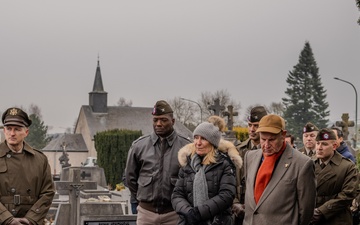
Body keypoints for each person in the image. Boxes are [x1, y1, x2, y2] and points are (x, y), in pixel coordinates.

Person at [125, 100, 191, 225]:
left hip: (174, 214)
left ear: (173, 121)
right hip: (146, 214)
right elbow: (130, 178)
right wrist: (142, 200)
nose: (158, 124)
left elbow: (191, 181)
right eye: (155, 120)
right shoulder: (139, 146)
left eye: (163, 120)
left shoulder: (186, 147)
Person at [243, 114, 316, 225]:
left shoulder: (302, 164)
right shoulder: (250, 157)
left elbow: (306, 210)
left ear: (283, 135)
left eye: (271, 140)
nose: (266, 145)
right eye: (263, 139)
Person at [172, 117, 242, 225]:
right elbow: (177, 195)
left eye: (203, 139)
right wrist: (189, 213)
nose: (198, 143)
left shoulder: (224, 164)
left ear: (212, 142)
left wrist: (199, 213)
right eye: (195, 138)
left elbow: (226, 195)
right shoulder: (188, 164)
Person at [0, 107, 55, 225]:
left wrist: (30, 219)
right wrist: (7, 220)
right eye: (9, 129)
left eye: (17, 129)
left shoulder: (40, 160)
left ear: (26, 132)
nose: (12, 133)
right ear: (4, 131)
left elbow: (48, 192)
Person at [310, 128, 358, 225]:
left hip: (337, 219)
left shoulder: (347, 166)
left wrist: (321, 211)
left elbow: (347, 195)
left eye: (324, 144)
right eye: (318, 143)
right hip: (311, 218)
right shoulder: (309, 164)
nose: (319, 147)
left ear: (334, 146)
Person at [233, 106, 267, 225]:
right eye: (250, 125)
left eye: (256, 126)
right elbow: (230, 179)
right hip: (239, 210)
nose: (252, 129)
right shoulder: (238, 151)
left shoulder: (270, 151)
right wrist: (235, 202)